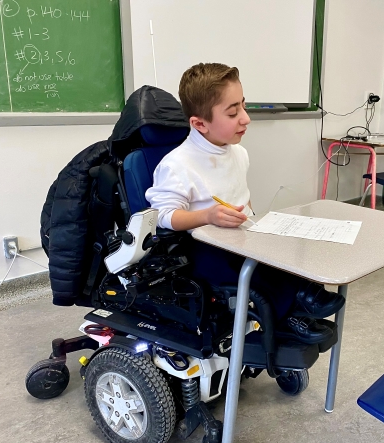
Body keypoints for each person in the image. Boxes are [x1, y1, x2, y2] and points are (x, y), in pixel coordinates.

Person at [146, 63, 344, 343]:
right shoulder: (177, 164)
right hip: (202, 248)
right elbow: (163, 216)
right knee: (253, 270)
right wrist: (208, 215)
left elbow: (241, 194)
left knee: (284, 250)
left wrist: (255, 219)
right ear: (200, 124)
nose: (246, 119)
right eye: (232, 112)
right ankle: (289, 318)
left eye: (243, 106)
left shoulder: (238, 153)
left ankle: (304, 297)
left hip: (238, 236)